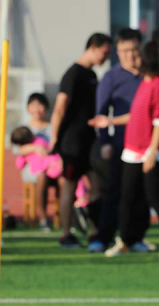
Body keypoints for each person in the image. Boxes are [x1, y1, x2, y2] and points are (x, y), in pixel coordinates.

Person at [92, 41, 159, 259]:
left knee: (153, 198)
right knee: (126, 197)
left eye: (138, 55)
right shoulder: (145, 82)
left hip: (150, 152)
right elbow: (137, 115)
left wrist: (152, 152)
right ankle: (124, 240)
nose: (134, 58)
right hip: (133, 150)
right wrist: (110, 121)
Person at [50, 32, 112, 248]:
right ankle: (66, 234)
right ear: (92, 48)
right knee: (69, 185)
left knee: (97, 185)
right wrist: (54, 138)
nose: (106, 58)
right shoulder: (73, 73)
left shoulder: (92, 74)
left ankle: (96, 232)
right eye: (104, 53)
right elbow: (60, 107)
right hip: (72, 142)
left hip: (90, 140)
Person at [89, 27, 143, 254]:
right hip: (121, 143)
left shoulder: (149, 75)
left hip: (145, 145)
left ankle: (135, 238)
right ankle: (103, 237)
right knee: (114, 192)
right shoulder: (111, 77)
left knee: (140, 194)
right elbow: (101, 112)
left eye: (134, 49)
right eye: (124, 50)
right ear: (118, 52)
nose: (130, 55)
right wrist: (105, 143)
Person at [15, 94, 59, 230]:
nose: (37, 109)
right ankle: (43, 218)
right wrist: (35, 148)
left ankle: (65, 217)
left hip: (52, 166)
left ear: (46, 108)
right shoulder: (24, 128)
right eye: (33, 105)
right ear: (28, 108)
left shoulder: (52, 127)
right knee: (41, 177)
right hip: (33, 169)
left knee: (65, 178)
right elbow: (17, 149)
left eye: (40, 105)